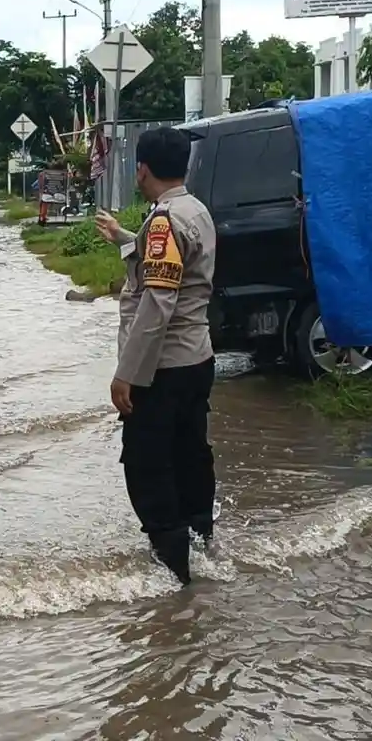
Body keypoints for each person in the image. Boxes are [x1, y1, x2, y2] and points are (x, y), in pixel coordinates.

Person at [94, 126, 217, 588]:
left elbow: (158, 302)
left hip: (163, 367)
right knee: (191, 451)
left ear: (142, 168)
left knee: (148, 463)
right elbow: (169, 260)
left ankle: (172, 570)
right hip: (197, 358)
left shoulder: (164, 219)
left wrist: (127, 374)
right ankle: (202, 540)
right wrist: (126, 236)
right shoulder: (194, 209)